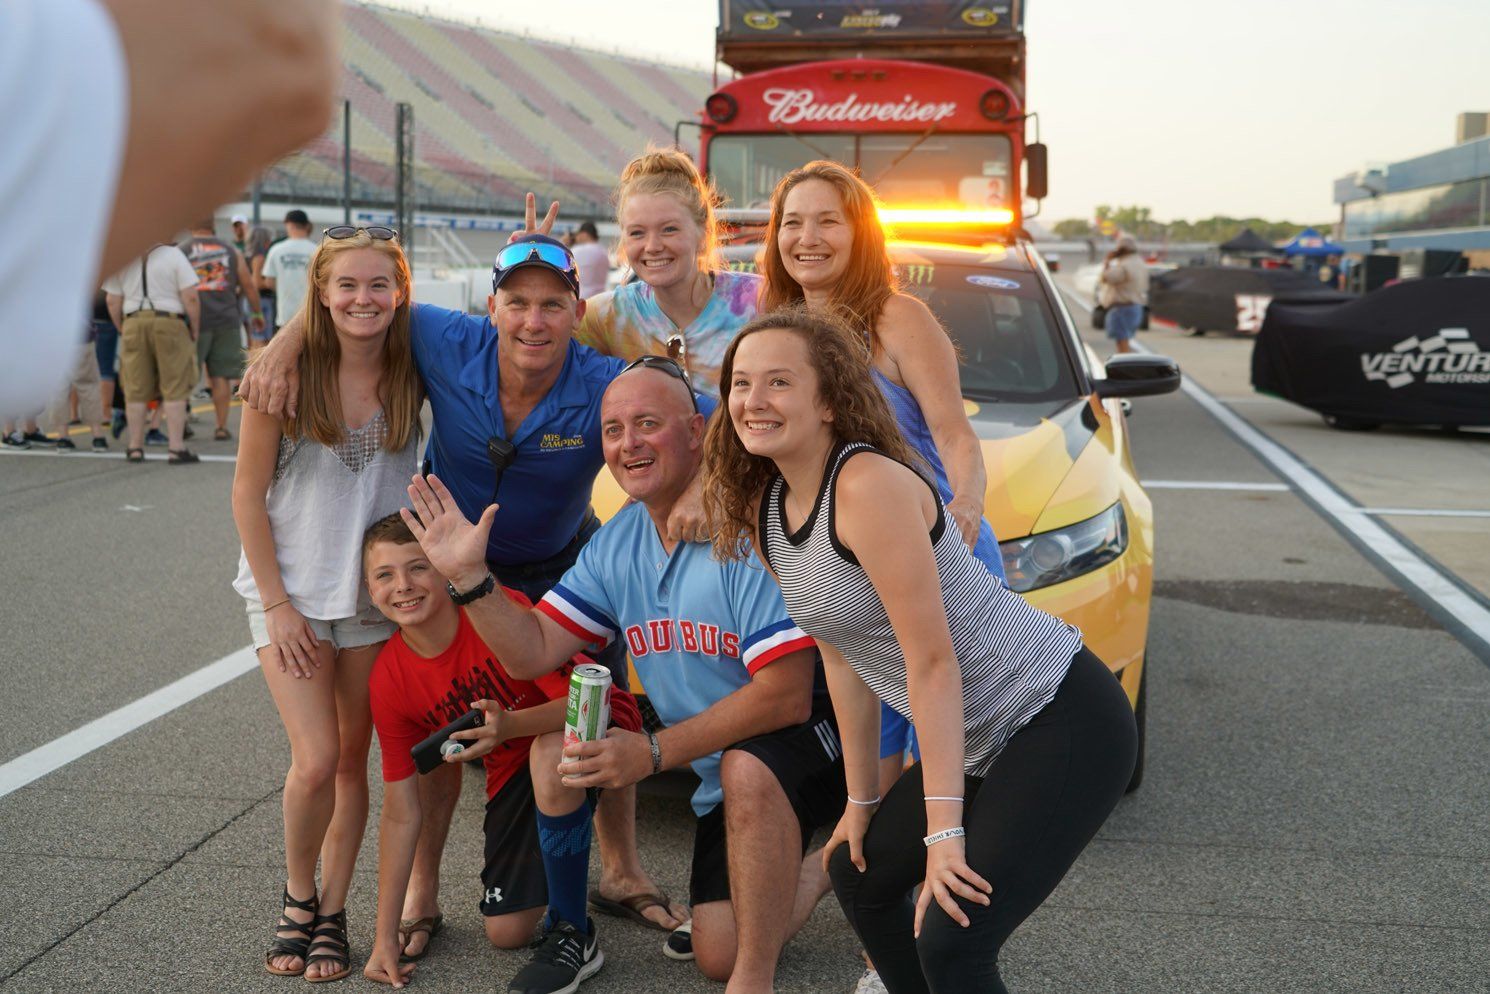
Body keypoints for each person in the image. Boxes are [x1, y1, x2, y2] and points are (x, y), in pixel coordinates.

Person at [239, 229, 694, 935]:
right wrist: (282, 344)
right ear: (490, 307)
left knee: (594, 708)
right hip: (450, 566)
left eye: (551, 305)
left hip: (556, 569)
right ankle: (423, 891)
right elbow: (353, 299)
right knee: (440, 724)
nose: (533, 321)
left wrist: (700, 487)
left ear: (579, 311)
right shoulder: (445, 339)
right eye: (517, 303)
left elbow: (701, 418)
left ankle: (622, 867)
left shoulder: (602, 379)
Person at [706, 308, 1138, 994]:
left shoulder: (866, 487)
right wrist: (860, 797)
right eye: (741, 383)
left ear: (828, 401)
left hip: (1060, 717)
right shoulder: (769, 508)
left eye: (779, 383)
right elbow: (844, 657)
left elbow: (931, 663)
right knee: (859, 873)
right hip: (974, 737)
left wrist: (943, 835)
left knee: (951, 935)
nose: (753, 401)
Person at [399, 356, 844, 994]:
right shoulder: (616, 544)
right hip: (724, 761)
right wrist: (470, 581)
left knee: (738, 941)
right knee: (717, 950)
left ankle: (834, 855)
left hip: (809, 735)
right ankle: (825, 864)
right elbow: (532, 652)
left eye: (647, 424)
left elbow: (785, 696)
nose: (628, 443)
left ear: (697, 432)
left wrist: (653, 751)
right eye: (613, 430)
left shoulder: (746, 525)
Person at [230, 226, 423, 982]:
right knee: (313, 761)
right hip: (294, 598)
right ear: (320, 293)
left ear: (401, 292)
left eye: (379, 284)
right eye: (345, 285)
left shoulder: (416, 369)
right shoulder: (282, 376)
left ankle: (333, 912)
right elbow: (246, 493)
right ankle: (298, 895)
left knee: (351, 761)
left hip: (377, 602)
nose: (362, 298)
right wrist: (277, 605)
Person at [0, 0, 338, 415]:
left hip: (146, 320)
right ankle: (203, 425)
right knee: (189, 381)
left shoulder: (185, 252)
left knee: (138, 382)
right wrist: (256, 321)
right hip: (208, 319)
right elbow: (289, 57)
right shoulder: (224, 251)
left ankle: (132, 431)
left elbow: (114, 297)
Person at [358, 512, 643, 990]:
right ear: (370, 591)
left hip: (594, 725)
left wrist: (510, 725)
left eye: (418, 568)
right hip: (512, 764)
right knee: (506, 932)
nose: (403, 586)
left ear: (445, 571)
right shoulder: (389, 679)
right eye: (385, 575)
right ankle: (560, 852)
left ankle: (575, 931)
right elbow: (400, 812)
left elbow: (584, 701)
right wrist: (382, 937)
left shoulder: (491, 612)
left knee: (549, 755)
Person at [576, 149, 761, 399]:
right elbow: (536, 340)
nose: (652, 246)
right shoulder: (609, 315)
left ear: (704, 235)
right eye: (637, 233)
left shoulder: (760, 301)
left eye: (669, 229)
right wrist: (526, 268)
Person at [102, 243, 202, 463]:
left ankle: (135, 446)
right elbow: (190, 297)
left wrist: (122, 327)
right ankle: (176, 448)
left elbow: (112, 300)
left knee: (135, 387)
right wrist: (194, 328)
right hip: (169, 321)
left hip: (133, 321)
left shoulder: (123, 255)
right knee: (176, 385)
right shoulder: (174, 255)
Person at [180, 219, 264, 440]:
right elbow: (248, 285)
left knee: (186, 375)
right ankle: (221, 426)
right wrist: (256, 314)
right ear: (214, 227)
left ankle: (180, 423)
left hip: (193, 322)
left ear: (192, 227)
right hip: (227, 320)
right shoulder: (230, 250)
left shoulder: (183, 250)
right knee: (221, 377)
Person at [261, 210, 318, 335]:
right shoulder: (317, 249)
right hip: (311, 315)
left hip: (285, 316)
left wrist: (284, 288)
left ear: (289, 225)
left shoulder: (276, 249)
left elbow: (269, 282)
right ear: (306, 225)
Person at [1098, 234, 1149, 355]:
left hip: (1122, 308)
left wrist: (1107, 262)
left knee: (1122, 345)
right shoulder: (1139, 262)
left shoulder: (1125, 265)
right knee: (1124, 342)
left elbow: (1106, 278)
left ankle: (1125, 369)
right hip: (1135, 306)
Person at [247, 225, 279, 345]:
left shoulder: (250, 255)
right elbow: (256, 283)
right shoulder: (260, 258)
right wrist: (274, 283)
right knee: (262, 340)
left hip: (256, 300)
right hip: (262, 300)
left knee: (256, 337)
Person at [571, 221, 611, 299]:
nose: (577, 238)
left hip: (582, 298)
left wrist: (564, 243)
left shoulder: (577, 251)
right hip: (600, 298)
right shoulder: (603, 252)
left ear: (584, 234)